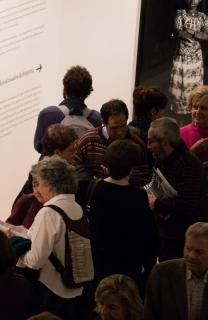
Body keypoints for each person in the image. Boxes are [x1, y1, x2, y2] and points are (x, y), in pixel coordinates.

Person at [16, 158, 86, 320]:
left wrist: (17, 246)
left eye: (37, 184)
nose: (36, 190)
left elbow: (35, 261)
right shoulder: (76, 207)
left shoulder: (49, 213)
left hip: (52, 290)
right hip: (76, 288)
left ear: (51, 184)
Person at [89, 140, 157, 295]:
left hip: (101, 260)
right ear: (132, 168)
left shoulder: (96, 187)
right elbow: (145, 232)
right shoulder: (138, 196)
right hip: (129, 262)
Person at [147, 117, 208, 261]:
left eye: (151, 141)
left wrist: (156, 204)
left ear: (165, 142)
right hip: (167, 236)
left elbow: (186, 203)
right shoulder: (161, 158)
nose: (148, 146)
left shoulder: (189, 164)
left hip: (182, 240)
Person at [8, 124, 78, 228]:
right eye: (71, 151)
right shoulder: (51, 180)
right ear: (57, 153)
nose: (75, 154)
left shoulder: (50, 172)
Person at [73, 99, 150, 188]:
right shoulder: (87, 140)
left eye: (123, 126)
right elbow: (74, 167)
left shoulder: (136, 143)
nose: (120, 132)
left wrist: (118, 177)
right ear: (103, 122)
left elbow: (143, 177)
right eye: (114, 128)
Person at [144, 222, 208, 320]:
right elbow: (150, 315)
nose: (191, 256)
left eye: (199, 252)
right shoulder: (161, 273)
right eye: (188, 249)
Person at [33, 65, 101, 155]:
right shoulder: (97, 119)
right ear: (88, 91)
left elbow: (39, 147)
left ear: (65, 88)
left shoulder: (48, 114)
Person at [169, 0, 208, 115]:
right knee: (181, 82)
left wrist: (191, 32)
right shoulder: (181, 13)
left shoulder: (203, 17)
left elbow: (206, 35)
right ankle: (181, 111)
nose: (193, 1)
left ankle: (194, 107)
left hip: (196, 56)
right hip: (182, 55)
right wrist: (198, 34)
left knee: (194, 83)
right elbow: (178, 32)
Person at [180, 84, 208, 163]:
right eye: (195, 107)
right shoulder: (180, 134)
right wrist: (193, 151)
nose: (198, 112)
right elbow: (174, 168)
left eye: (203, 108)